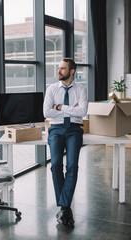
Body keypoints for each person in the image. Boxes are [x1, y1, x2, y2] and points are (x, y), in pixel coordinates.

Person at [43, 58, 88, 227]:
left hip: (74, 130)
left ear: (72, 71)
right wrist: (71, 110)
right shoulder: (52, 89)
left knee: (72, 166)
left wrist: (60, 107)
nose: (59, 71)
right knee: (55, 165)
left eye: (63, 68)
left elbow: (82, 111)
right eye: (58, 68)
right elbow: (46, 112)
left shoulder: (81, 90)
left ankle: (63, 207)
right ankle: (66, 207)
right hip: (56, 130)